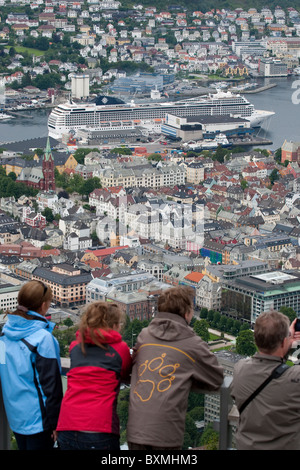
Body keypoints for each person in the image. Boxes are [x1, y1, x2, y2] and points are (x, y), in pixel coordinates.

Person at [126, 286, 224, 450]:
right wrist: (183, 380)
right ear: (186, 313)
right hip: (166, 434)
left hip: (136, 430)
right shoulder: (193, 344)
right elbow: (217, 378)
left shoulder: (144, 336)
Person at [56, 301, 132, 450]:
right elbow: (124, 372)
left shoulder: (76, 346)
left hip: (67, 424)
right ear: (115, 324)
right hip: (100, 427)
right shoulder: (120, 348)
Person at [0, 280, 63, 450]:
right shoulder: (43, 339)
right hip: (39, 422)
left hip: (15, 417)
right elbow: (51, 386)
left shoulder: (4, 334)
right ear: (43, 306)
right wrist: (56, 423)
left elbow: (3, 371)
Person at [231, 310, 300, 450]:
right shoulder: (294, 379)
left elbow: (272, 367)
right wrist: (290, 345)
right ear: (282, 342)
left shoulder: (240, 369)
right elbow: (278, 369)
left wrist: (285, 341)